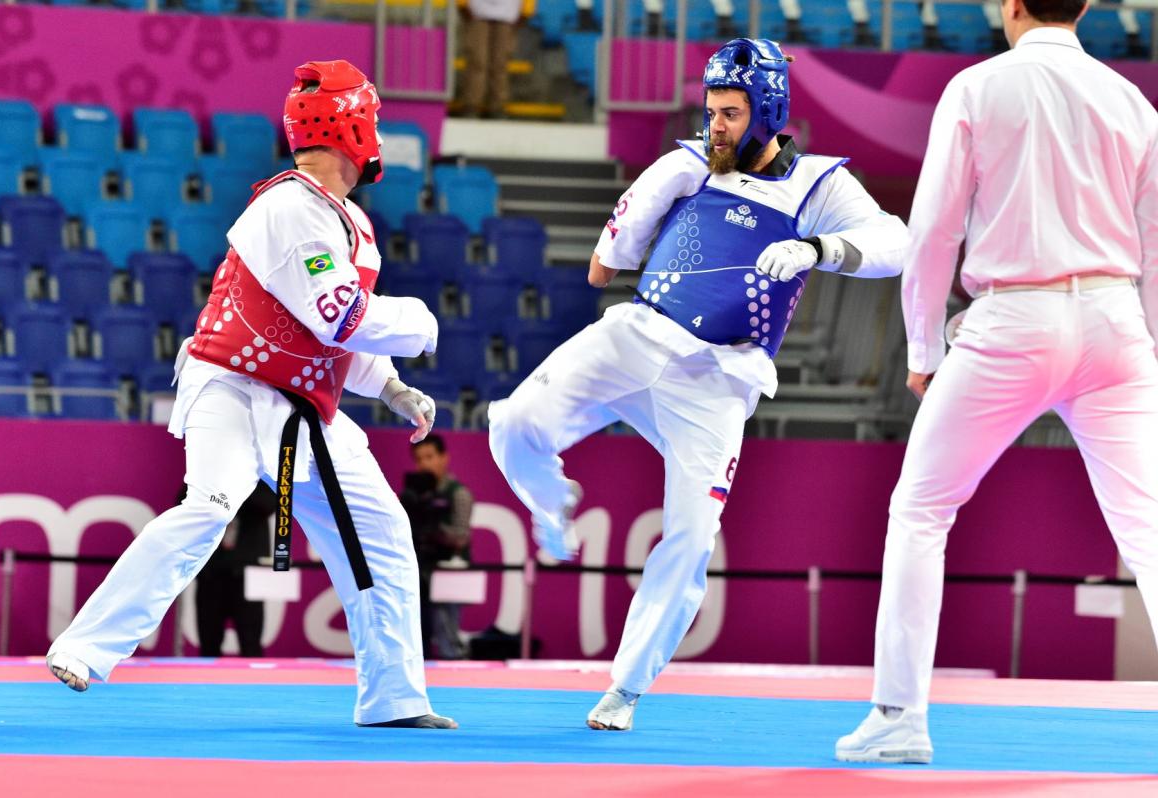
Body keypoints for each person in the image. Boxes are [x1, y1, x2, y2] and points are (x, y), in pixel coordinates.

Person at [488, 38, 908, 731]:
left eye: (732, 114)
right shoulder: (687, 162)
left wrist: (816, 249)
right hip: (638, 336)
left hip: (717, 379)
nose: (715, 125)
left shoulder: (820, 186)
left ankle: (623, 690)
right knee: (513, 421)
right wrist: (642, 214)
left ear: (771, 112)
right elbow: (603, 266)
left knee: (691, 534)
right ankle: (551, 501)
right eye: (711, 111)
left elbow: (895, 243)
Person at [45, 60, 459, 730]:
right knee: (209, 506)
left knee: (382, 533)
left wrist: (389, 385)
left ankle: (394, 699)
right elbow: (341, 317)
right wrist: (422, 325)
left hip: (303, 404)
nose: (377, 131)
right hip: (232, 386)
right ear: (349, 125)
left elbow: (327, 339)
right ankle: (87, 648)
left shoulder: (348, 221)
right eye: (372, 118)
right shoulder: (288, 207)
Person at [836, 0, 1158, 764]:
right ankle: (895, 718)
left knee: (920, 509)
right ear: (1083, 8)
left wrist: (922, 348)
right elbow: (1155, 238)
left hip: (1014, 318)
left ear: (1012, 7)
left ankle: (899, 719)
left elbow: (935, 229)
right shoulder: (1133, 101)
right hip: (1117, 320)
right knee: (1152, 530)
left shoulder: (978, 88)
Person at [399, 433, 474, 660]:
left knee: (446, 633)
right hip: (418, 566)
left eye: (430, 457)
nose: (424, 464)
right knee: (414, 630)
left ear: (444, 458)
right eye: (419, 459)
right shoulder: (412, 493)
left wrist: (434, 528)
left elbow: (461, 536)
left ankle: (455, 683)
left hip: (447, 571)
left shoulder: (459, 494)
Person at [193, 483, 276, 658]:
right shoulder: (207, 473)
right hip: (211, 572)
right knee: (209, 643)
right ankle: (204, 684)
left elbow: (269, 504)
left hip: (248, 574)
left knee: (251, 642)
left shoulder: (260, 478)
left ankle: (254, 684)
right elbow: (185, 506)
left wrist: (234, 488)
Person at [460, 0, 523, 118]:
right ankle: (471, 105)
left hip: (508, 14)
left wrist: (526, 11)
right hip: (477, 12)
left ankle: (498, 106)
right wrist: (463, 4)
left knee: (500, 64)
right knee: (477, 61)